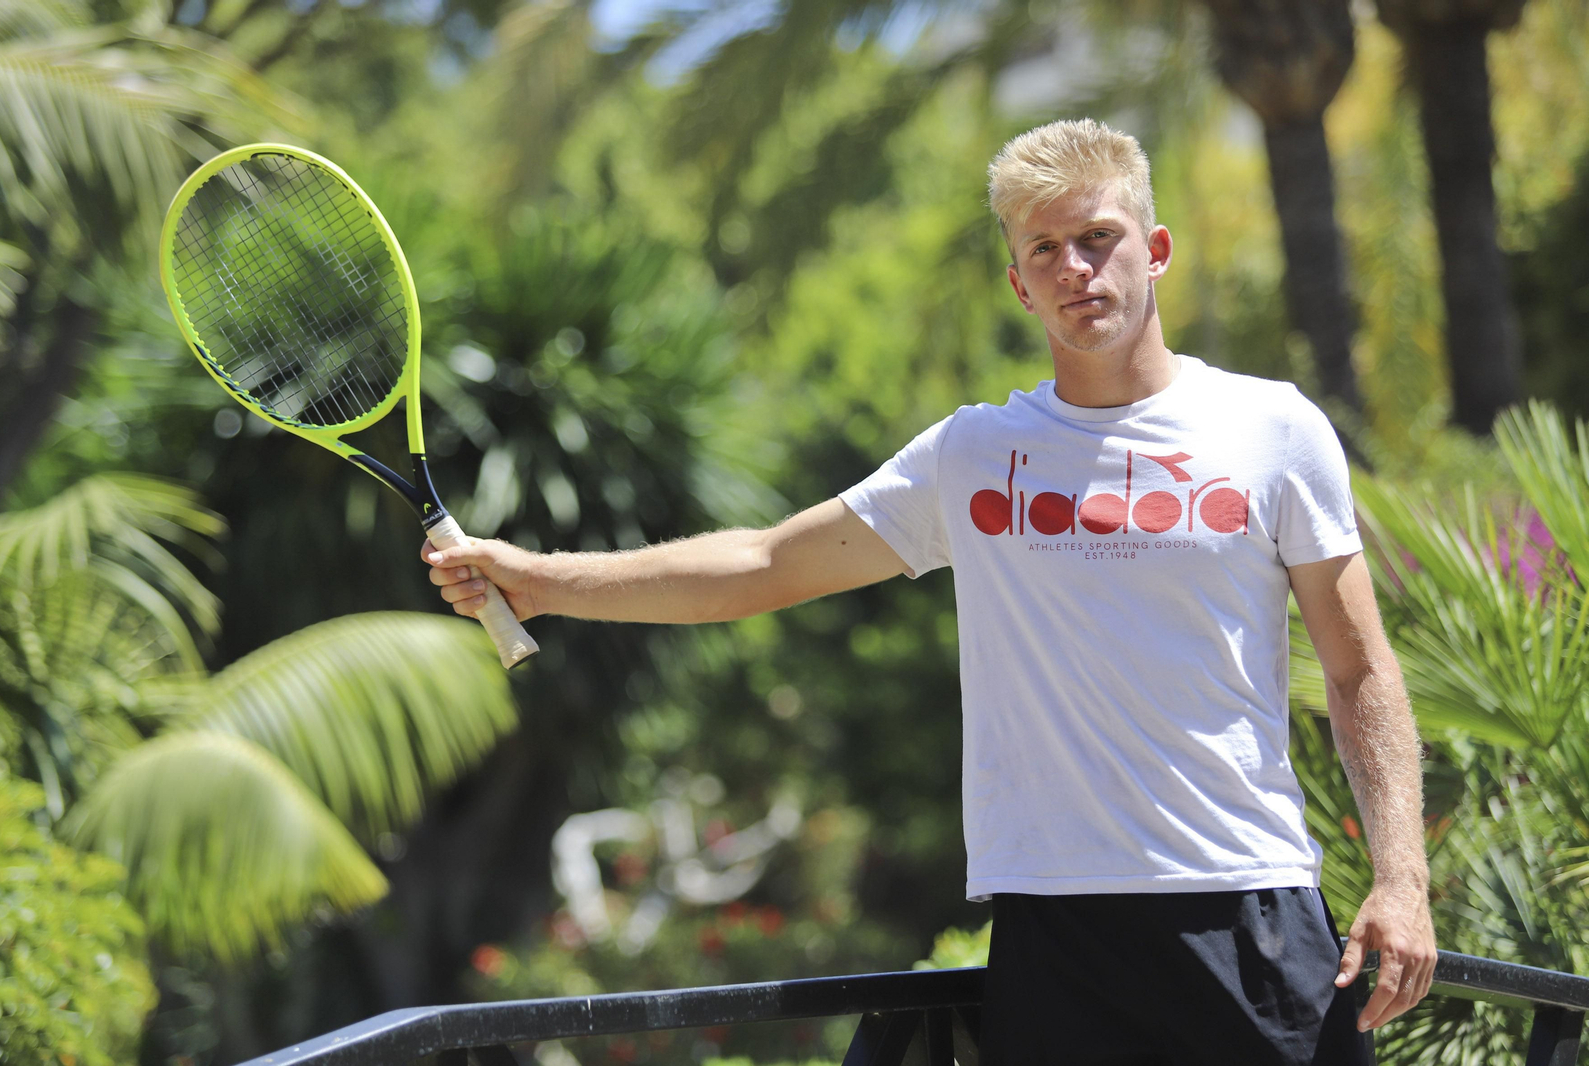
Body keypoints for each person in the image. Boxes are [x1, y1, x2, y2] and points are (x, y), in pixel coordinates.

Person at [423, 118, 1437, 1065]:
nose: (1075, 268)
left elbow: (1357, 671)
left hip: (1246, 905)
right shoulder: (972, 456)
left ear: (1156, 249)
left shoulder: (1272, 429)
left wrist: (1401, 879)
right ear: (1017, 284)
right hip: (1057, 927)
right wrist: (541, 581)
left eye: (1098, 236)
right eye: (1044, 250)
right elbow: (762, 566)